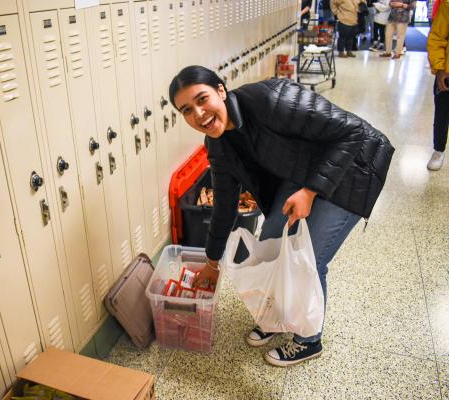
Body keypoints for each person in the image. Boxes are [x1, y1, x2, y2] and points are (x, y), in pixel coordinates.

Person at [169, 66, 394, 367]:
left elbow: (353, 131)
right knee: (272, 243)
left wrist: (311, 191)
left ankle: (309, 340)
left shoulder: (273, 99)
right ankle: (276, 320)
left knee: (309, 259)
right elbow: (224, 203)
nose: (199, 113)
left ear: (221, 91)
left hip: (354, 166)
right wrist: (211, 262)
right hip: (302, 170)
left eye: (202, 99)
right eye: (187, 110)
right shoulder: (218, 143)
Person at [426, 0, 449, 170]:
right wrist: (440, 67)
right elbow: (437, 36)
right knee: (442, 113)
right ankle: (438, 149)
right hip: (447, 71)